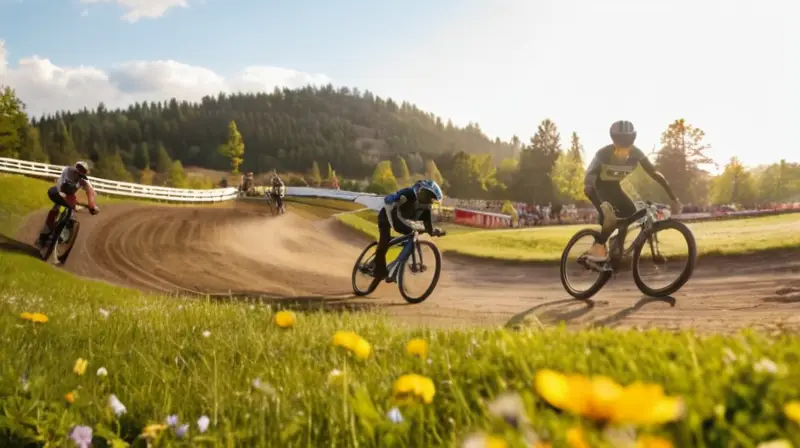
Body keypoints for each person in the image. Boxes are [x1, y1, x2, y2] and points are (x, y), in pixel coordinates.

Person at [583, 120, 681, 262]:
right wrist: (591, 192)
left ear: (632, 139)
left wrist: (673, 198)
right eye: (619, 141)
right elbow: (590, 176)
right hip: (597, 188)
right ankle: (596, 249)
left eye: (626, 142)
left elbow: (655, 174)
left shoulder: (637, 154)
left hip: (614, 187)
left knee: (630, 214)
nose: (623, 147)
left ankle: (617, 252)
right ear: (613, 139)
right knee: (609, 219)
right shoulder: (603, 154)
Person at [372, 179, 444, 281]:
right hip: (387, 216)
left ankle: (402, 265)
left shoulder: (426, 208)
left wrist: (433, 231)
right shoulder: (408, 193)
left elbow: (428, 226)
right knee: (384, 241)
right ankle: (377, 270)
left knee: (413, 238)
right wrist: (393, 198)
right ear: (419, 191)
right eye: (426, 196)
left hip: (401, 221)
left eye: (431, 199)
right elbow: (389, 199)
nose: (428, 200)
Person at [36, 161, 100, 247]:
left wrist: (92, 205)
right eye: (79, 169)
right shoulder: (68, 171)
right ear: (75, 168)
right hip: (58, 192)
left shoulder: (84, 180)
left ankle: (62, 233)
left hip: (67, 196)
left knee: (68, 210)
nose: (79, 173)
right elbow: (65, 186)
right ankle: (44, 235)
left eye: (82, 172)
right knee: (57, 208)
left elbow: (91, 192)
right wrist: (78, 186)